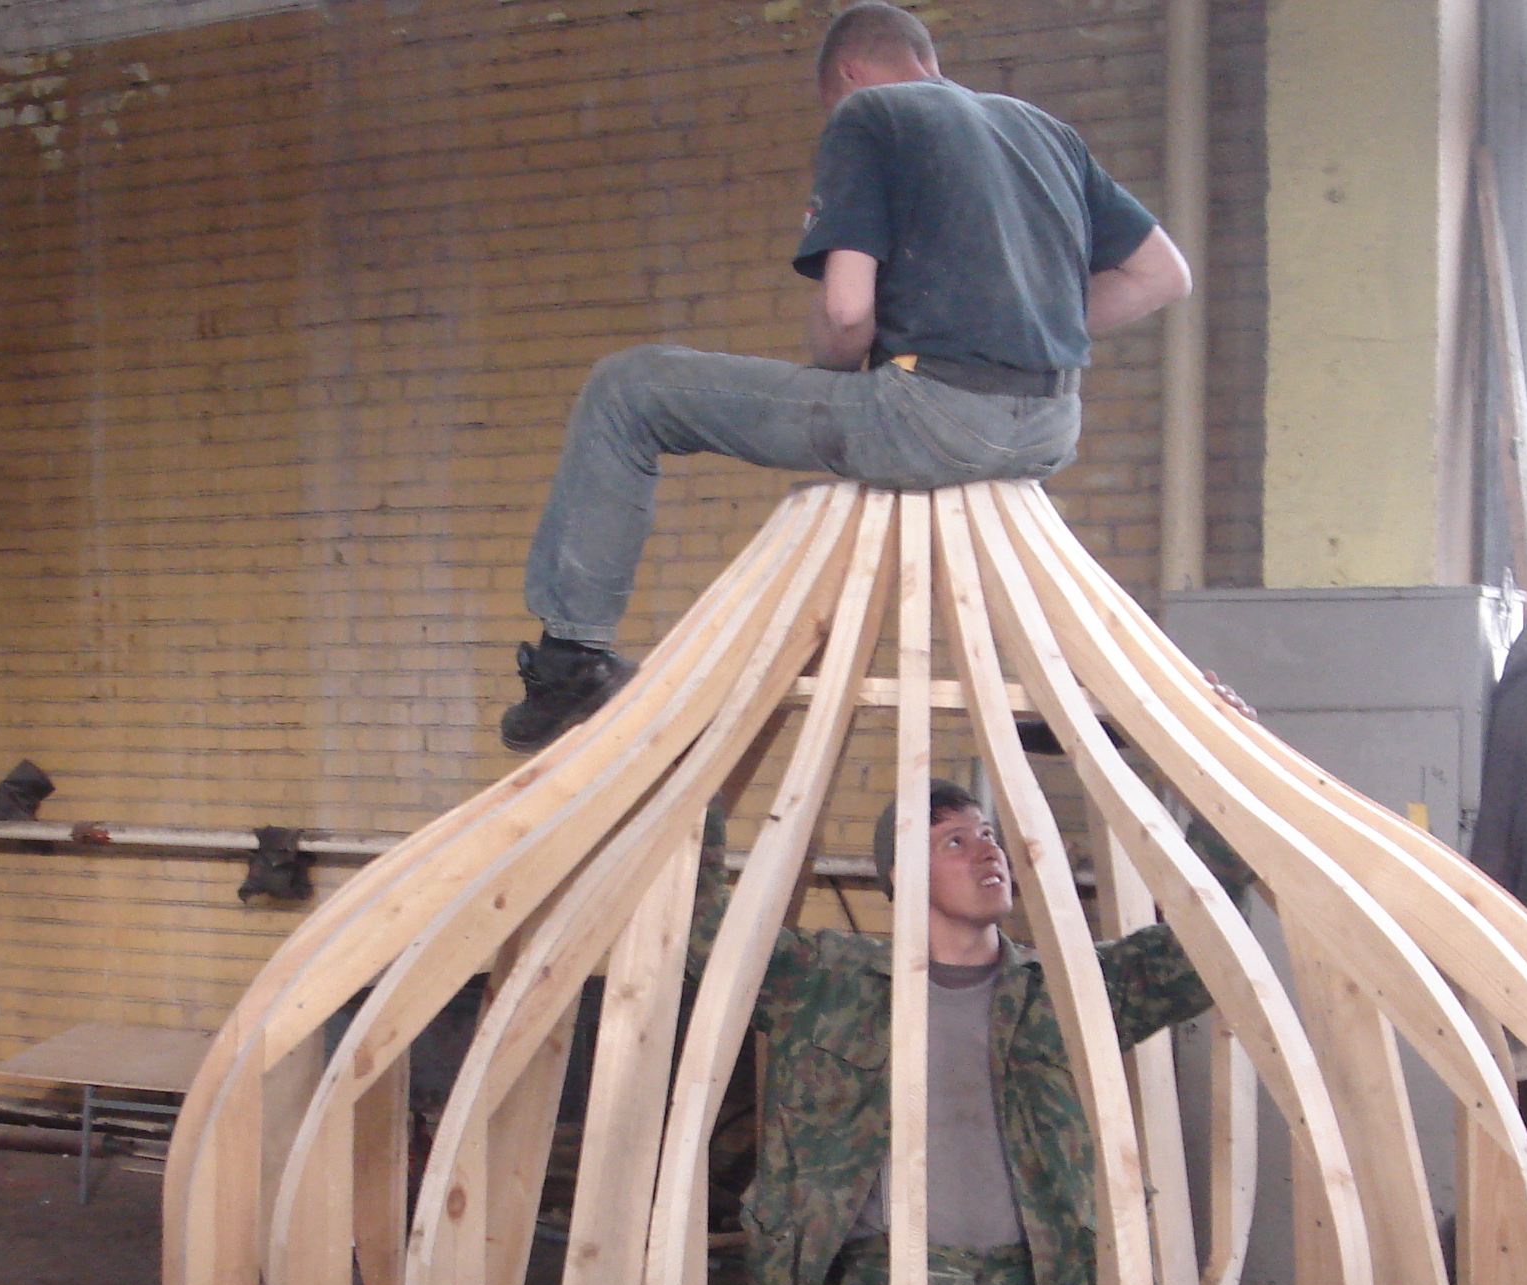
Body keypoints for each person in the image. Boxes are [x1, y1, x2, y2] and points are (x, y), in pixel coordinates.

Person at [501, 2, 1191, 752]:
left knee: (628, 388)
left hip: (930, 416)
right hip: (1049, 428)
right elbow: (1163, 276)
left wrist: (831, 378)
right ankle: (1067, 690)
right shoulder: (1044, 131)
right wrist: (1023, 326)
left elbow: (846, 310)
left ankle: (570, 660)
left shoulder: (870, 115)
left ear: (849, 75)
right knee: (931, 428)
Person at [697, 785, 1228, 1285]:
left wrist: (1218, 806)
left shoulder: (1067, 989)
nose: (988, 851)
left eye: (989, 835)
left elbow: (1201, 950)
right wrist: (697, 793)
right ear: (899, 874)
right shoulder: (827, 979)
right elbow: (704, 936)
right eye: (954, 841)